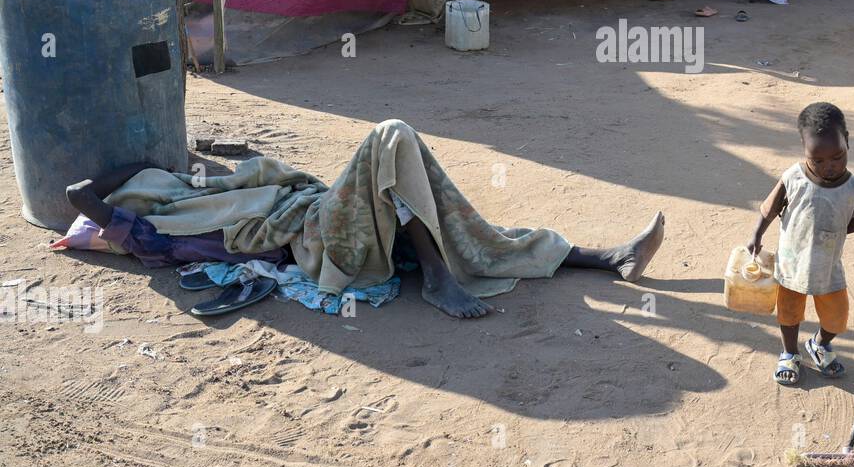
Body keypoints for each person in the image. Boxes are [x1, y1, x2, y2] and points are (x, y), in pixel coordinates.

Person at [63, 120, 666, 320]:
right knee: (391, 138)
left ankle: (604, 257)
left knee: (455, 219)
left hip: (319, 212)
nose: (157, 187)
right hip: (316, 241)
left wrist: (156, 175)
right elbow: (78, 195)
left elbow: (173, 170)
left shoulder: (183, 191)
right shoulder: (149, 234)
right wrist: (130, 182)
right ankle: (436, 279)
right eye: (147, 190)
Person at [747, 102, 854, 385]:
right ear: (804, 149)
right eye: (817, 160)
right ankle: (789, 353)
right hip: (792, 265)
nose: (829, 166)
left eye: (837, 157)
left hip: (828, 268)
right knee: (789, 314)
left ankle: (819, 344)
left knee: (837, 319)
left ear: (848, 141)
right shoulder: (793, 177)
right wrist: (757, 235)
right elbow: (769, 209)